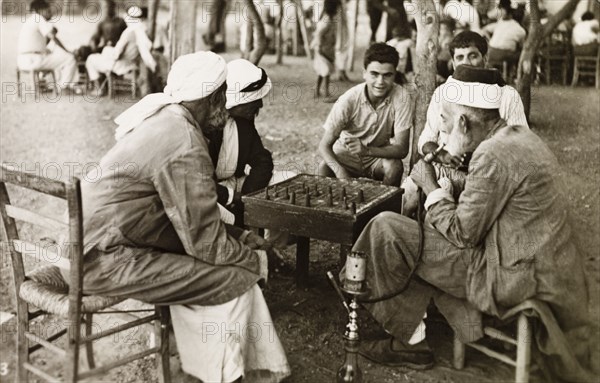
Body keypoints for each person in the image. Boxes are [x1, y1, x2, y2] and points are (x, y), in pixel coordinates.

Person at [346, 68, 595, 382]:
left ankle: (407, 341)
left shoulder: (492, 155)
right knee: (418, 232)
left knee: (386, 229)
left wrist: (430, 186)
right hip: (546, 269)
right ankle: (427, 327)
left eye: (446, 123)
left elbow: (463, 233)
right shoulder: (518, 137)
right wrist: (452, 172)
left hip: (513, 277)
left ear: (463, 122)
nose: (444, 130)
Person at [78, 51, 290, 383]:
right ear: (210, 97)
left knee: (228, 267)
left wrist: (242, 237)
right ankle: (225, 374)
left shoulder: (165, 118)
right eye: (222, 94)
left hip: (99, 244)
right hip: (107, 258)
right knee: (237, 278)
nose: (225, 101)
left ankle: (215, 365)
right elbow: (206, 245)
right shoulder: (185, 140)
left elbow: (185, 219)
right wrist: (255, 260)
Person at [402, 31, 528, 217]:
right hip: (444, 168)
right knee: (410, 192)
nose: (466, 63)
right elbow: (425, 141)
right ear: (453, 63)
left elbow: (521, 146)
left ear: (485, 59)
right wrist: (442, 155)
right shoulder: (443, 92)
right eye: (460, 57)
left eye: (473, 56)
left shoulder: (507, 95)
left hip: (485, 175)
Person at [318, 43, 412, 187]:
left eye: (387, 75)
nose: (380, 82)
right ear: (364, 73)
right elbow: (324, 146)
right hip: (346, 156)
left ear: (395, 74)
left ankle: (386, 207)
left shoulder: (401, 96)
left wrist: (367, 151)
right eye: (374, 74)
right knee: (324, 167)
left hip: (376, 156)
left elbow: (402, 148)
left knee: (394, 167)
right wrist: (341, 172)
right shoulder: (348, 99)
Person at [209, 58, 275, 226]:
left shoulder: (243, 123)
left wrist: (246, 196)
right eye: (254, 99)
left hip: (234, 186)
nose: (260, 104)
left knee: (283, 184)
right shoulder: (206, 126)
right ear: (236, 101)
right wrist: (232, 197)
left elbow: (262, 161)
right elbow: (197, 182)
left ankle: (270, 243)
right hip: (207, 193)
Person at [85, 5, 156, 94]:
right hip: (131, 62)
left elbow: (116, 55)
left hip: (120, 64)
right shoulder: (142, 30)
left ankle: (99, 88)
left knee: (91, 59)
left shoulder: (128, 33)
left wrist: (107, 50)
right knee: (101, 54)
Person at [17, 0, 79, 90]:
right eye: (48, 11)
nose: (51, 14)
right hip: (33, 60)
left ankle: (43, 84)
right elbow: (53, 38)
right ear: (41, 10)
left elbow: (42, 42)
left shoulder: (30, 21)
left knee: (52, 56)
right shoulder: (39, 18)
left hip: (22, 61)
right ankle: (63, 88)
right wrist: (68, 51)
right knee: (70, 58)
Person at [483, 0, 526, 80]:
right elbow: (522, 46)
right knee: (520, 53)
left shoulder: (500, 23)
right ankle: (514, 76)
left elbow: (484, 29)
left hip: (490, 52)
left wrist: (489, 40)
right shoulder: (520, 30)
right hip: (504, 54)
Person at [311, 0, 338, 98]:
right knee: (326, 71)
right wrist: (319, 46)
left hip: (327, 48)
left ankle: (317, 90)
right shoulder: (327, 21)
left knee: (322, 71)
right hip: (323, 49)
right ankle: (325, 91)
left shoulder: (328, 19)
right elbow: (319, 33)